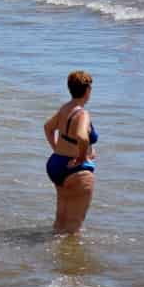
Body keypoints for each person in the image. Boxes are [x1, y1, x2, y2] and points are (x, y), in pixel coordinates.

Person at [44, 70, 98, 235]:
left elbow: (48, 127)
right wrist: (81, 157)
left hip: (56, 164)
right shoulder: (83, 113)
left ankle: (50, 253)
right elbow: (82, 136)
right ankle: (67, 258)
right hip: (76, 170)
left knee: (61, 220)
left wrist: (56, 149)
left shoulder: (64, 108)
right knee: (74, 227)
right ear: (87, 90)